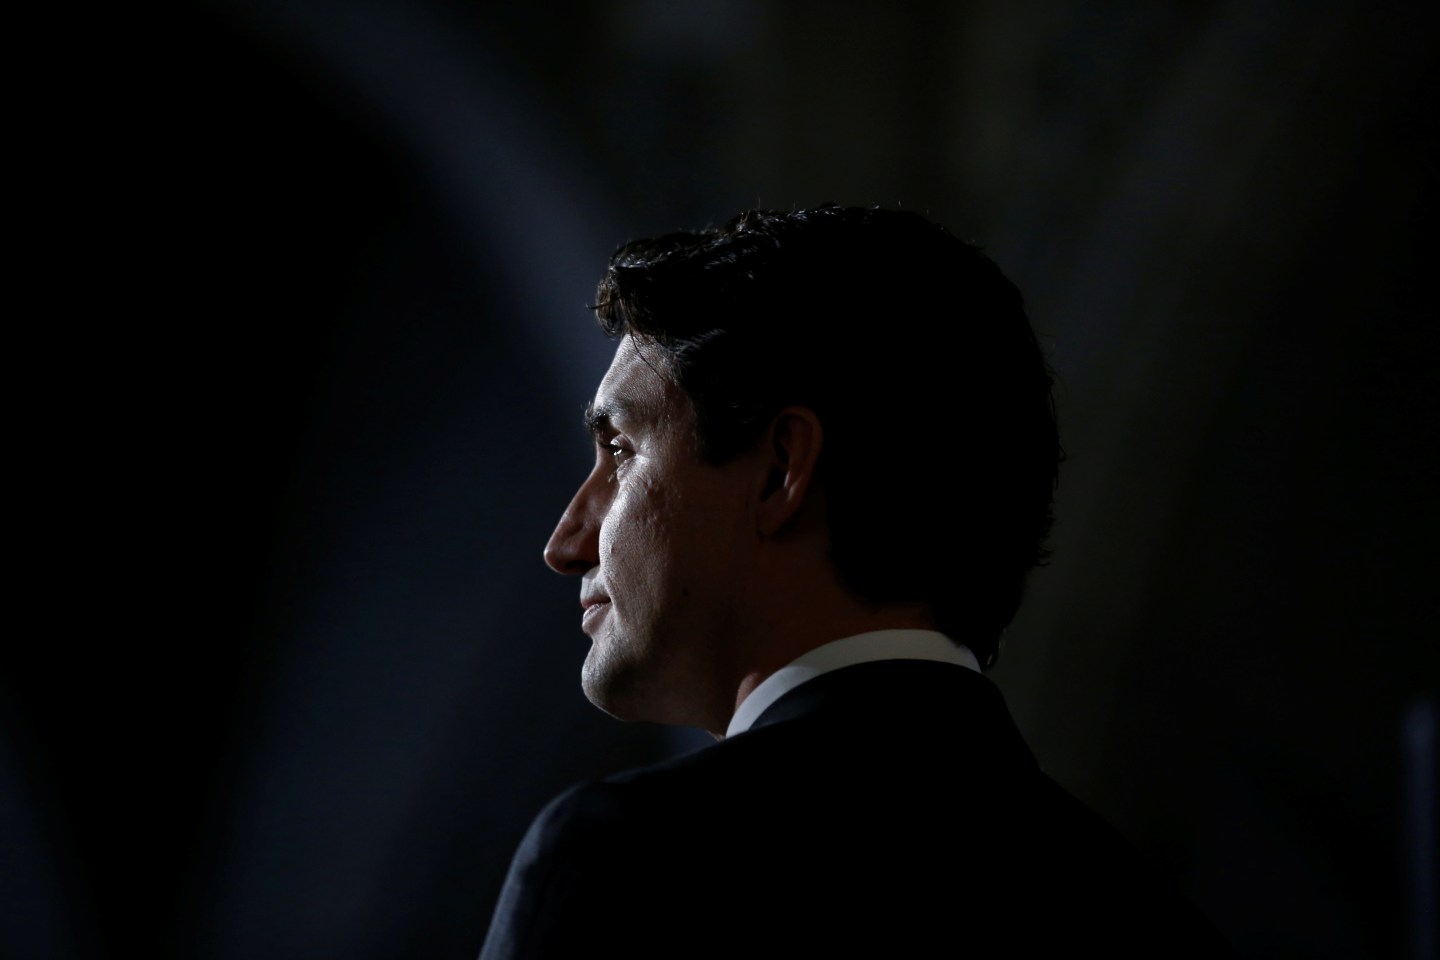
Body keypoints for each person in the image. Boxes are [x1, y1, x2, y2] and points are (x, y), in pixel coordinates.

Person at [479, 205, 1235, 958]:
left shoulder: (627, 865)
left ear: (780, 469)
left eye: (620, 450)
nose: (566, 543)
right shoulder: (1156, 920)